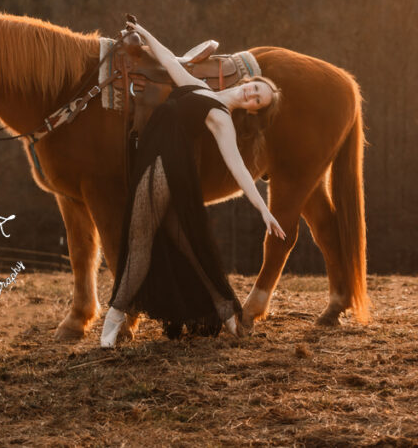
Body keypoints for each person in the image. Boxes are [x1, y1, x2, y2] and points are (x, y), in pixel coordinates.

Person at [101, 21, 285, 348]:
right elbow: (171, 61)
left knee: (139, 237)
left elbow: (239, 169)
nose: (252, 94)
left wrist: (263, 209)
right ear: (251, 82)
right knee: (187, 243)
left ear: (253, 109)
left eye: (258, 100)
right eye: (257, 88)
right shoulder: (203, 90)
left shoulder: (222, 117)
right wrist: (144, 32)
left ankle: (112, 321)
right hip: (158, 161)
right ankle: (228, 314)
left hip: (165, 166)